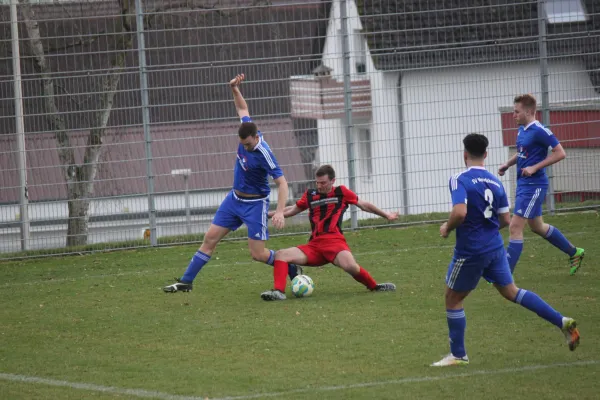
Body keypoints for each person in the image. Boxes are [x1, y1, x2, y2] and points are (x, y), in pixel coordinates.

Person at [432, 133, 580, 367]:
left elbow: (459, 212)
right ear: (486, 154)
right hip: (494, 247)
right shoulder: (495, 181)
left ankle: (458, 355)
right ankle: (561, 321)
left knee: (453, 299)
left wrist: (447, 228)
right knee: (512, 291)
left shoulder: (459, 179)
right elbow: (504, 219)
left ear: (465, 154)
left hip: (471, 250)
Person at [163, 74, 299, 293]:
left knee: (258, 254)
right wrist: (234, 89)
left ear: (256, 138)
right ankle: (186, 281)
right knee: (210, 238)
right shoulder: (247, 130)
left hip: (255, 205)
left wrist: (280, 212)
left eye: (247, 144)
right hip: (234, 200)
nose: (244, 147)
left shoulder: (265, 154)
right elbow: (242, 111)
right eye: (241, 144)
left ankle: (290, 268)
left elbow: (282, 183)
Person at [260, 164, 398, 301]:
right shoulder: (310, 195)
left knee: (350, 266)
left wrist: (386, 215)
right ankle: (279, 292)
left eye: (323, 183)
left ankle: (374, 286)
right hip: (314, 246)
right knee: (281, 254)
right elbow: (290, 210)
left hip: (335, 243)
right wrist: (266, 214)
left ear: (333, 181)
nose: (319, 186)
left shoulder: (341, 192)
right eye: (317, 182)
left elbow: (363, 204)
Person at [498, 94, 584, 275]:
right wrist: (507, 164)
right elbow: (523, 153)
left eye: (516, 111)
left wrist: (535, 167)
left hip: (534, 185)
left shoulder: (540, 130)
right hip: (523, 184)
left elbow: (560, 153)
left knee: (515, 227)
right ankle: (574, 252)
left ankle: (504, 275)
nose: (513, 115)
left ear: (528, 112)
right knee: (537, 226)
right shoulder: (522, 129)